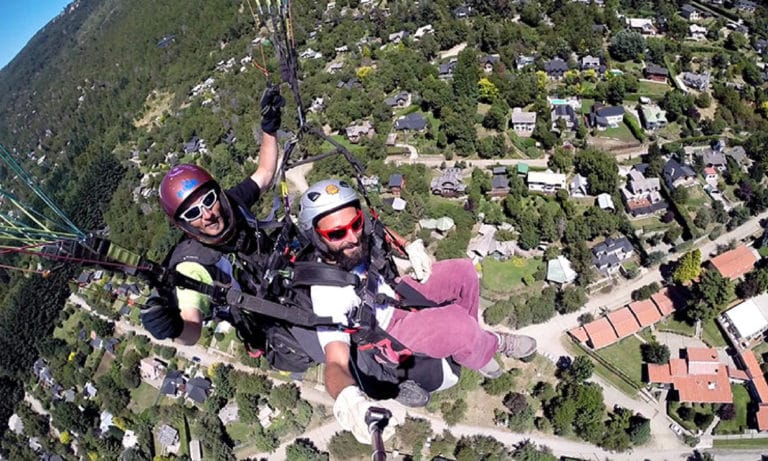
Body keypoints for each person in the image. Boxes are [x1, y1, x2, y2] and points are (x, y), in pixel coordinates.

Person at [296, 178, 537, 444]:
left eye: (355, 224)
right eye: (338, 233)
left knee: (464, 272)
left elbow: (378, 231)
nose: (352, 237)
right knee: (459, 326)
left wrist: (409, 246)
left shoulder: (356, 240)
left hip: (393, 291)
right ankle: (491, 344)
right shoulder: (327, 292)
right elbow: (336, 363)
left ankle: (474, 350)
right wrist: (350, 403)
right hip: (388, 327)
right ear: (317, 237)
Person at [139, 85, 299, 347]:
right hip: (272, 314)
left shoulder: (231, 204)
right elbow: (192, 329)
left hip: (284, 270)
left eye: (209, 200)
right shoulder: (192, 262)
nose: (208, 214)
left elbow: (265, 174)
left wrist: (269, 130)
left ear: (218, 193)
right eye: (193, 212)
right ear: (184, 224)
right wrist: (174, 327)